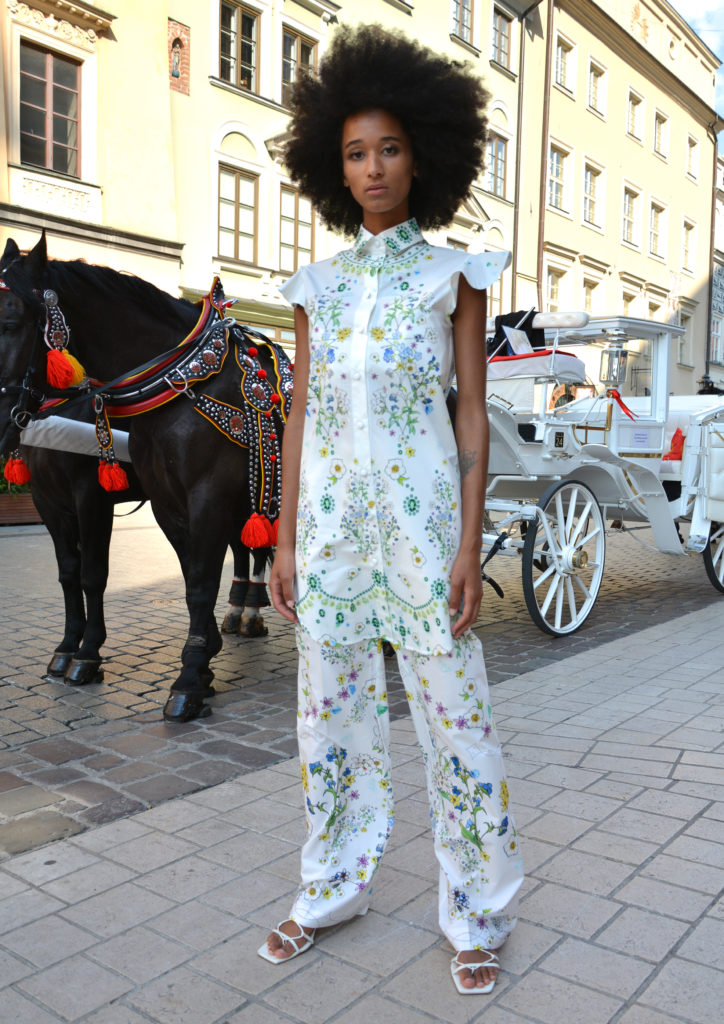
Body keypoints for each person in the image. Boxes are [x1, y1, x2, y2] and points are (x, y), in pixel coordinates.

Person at [259, 24, 523, 995]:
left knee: (457, 721)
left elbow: (470, 415)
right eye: (355, 153)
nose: (372, 168)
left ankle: (478, 910)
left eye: (390, 149)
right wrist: (284, 539)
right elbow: (299, 414)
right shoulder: (316, 290)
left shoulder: (454, 277)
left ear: (422, 156)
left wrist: (467, 545)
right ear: (334, 167)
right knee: (327, 723)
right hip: (331, 537)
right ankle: (328, 888)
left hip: (424, 536)